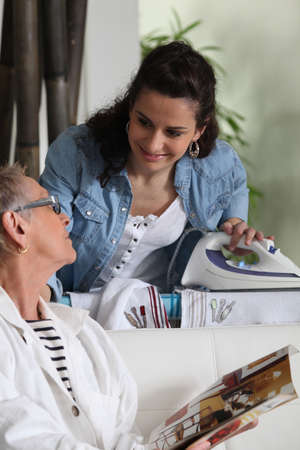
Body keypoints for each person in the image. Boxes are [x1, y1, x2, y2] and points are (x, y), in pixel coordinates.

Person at [0, 164, 257, 449]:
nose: (64, 218)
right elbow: (20, 439)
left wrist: (183, 438)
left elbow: (121, 437)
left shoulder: (86, 336)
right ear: (17, 225)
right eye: (51, 205)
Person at [39, 40, 267, 309]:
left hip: (163, 318)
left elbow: (234, 202)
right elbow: (42, 240)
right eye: (144, 122)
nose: (153, 144)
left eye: (173, 132)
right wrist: (42, 301)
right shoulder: (76, 153)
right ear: (130, 107)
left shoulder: (219, 166)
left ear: (199, 130)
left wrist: (238, 232)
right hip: (73, 311)